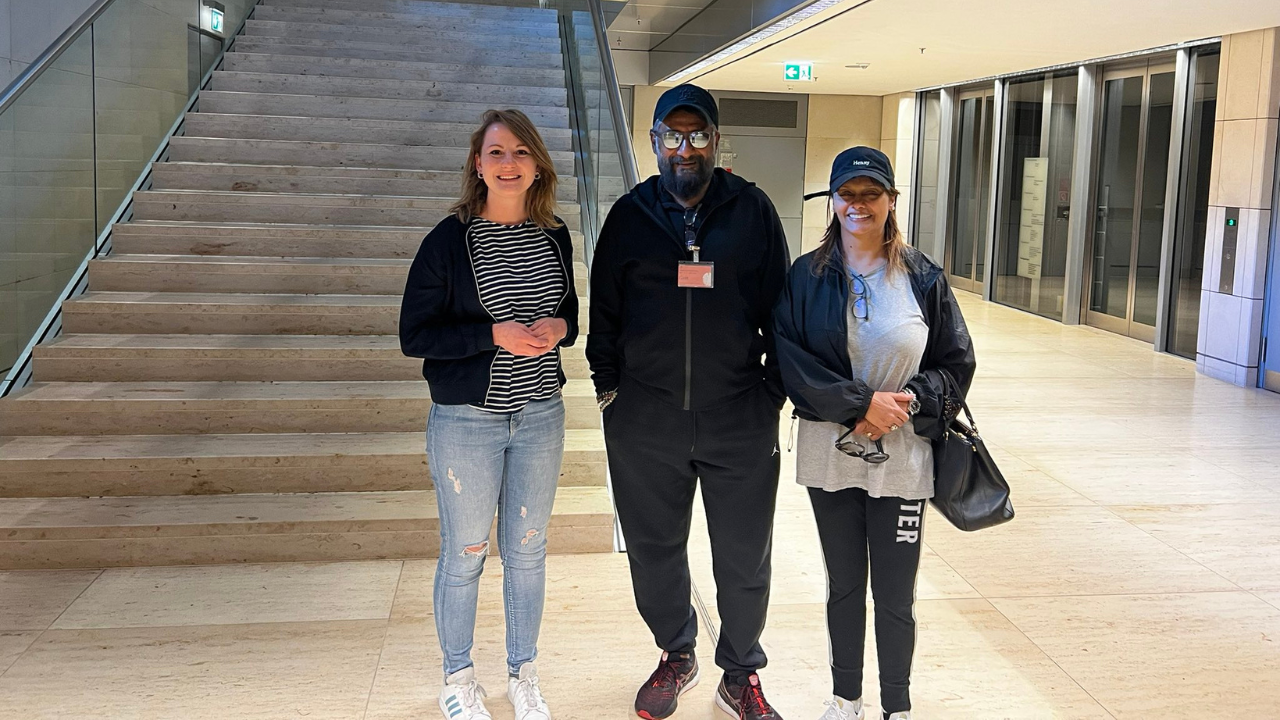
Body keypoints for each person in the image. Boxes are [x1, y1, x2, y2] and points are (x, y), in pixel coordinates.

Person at [586, 83, 791, 720]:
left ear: (715, 141)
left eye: (697, 135)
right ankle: (676, 654)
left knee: (743, 555)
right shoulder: (628, 218)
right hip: (645, 421)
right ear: (654, 144)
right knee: (653, 551)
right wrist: (612, 395)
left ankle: (740, 673)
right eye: (671, 137)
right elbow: (604, 318)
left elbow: (782, 316)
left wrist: (770, 395)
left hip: (738, 416)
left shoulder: (753, 213)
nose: (684, 149)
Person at [772, 147, 976, 720]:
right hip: (830, 453)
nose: (858, 205)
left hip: (905, 457)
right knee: (842, 586)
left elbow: (956, 363)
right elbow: (792, 362)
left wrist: (906, 403)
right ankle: (845, 700)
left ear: (891, 202)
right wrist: (861, 407)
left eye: (871, 194)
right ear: (833, 201)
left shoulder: (923, 277)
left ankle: (897, 707)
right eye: (848, 194)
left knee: (894, 594)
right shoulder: (806, 276)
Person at [399, 108, 579, 720]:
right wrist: (491, 336)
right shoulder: (448, 241)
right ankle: (458, 677)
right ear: (478, 164)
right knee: (466, 552)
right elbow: (414, 334)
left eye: (521, 152)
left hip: (539, 416)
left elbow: (569, 316)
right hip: (467, 421)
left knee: (528, 549)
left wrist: (558, 326)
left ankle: (523, 671)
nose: (509, 164)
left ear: (537, 166)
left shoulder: (555, 235)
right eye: (497, 153)